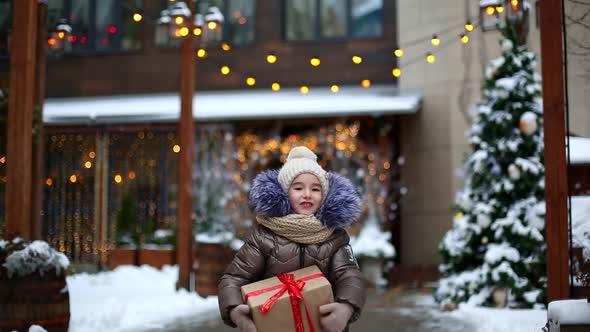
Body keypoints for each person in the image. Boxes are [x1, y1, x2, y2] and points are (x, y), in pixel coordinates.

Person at [218, 146, 367, 332]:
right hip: (274, 324)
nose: (307, 194)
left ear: (325, 196)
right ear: (284, 194)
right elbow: (234, 277)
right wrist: (235, 310)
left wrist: (345, 308)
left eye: (315, 189)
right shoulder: (264, 236)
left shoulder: (334, 238)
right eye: (298, 188)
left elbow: (350, 275)